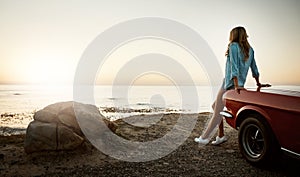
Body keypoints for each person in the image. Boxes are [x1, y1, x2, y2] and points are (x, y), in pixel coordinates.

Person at [194, 26, 263, 145]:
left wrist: (235, 85)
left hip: (229, 83)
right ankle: (220, 135)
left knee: (216, 112)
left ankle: (204, 138)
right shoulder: (250, 50)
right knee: (215, 105)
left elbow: (234, 67)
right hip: (237, 83)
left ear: (234, 35)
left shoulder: (233, 46)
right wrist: (258, 83)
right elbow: (254, 69)